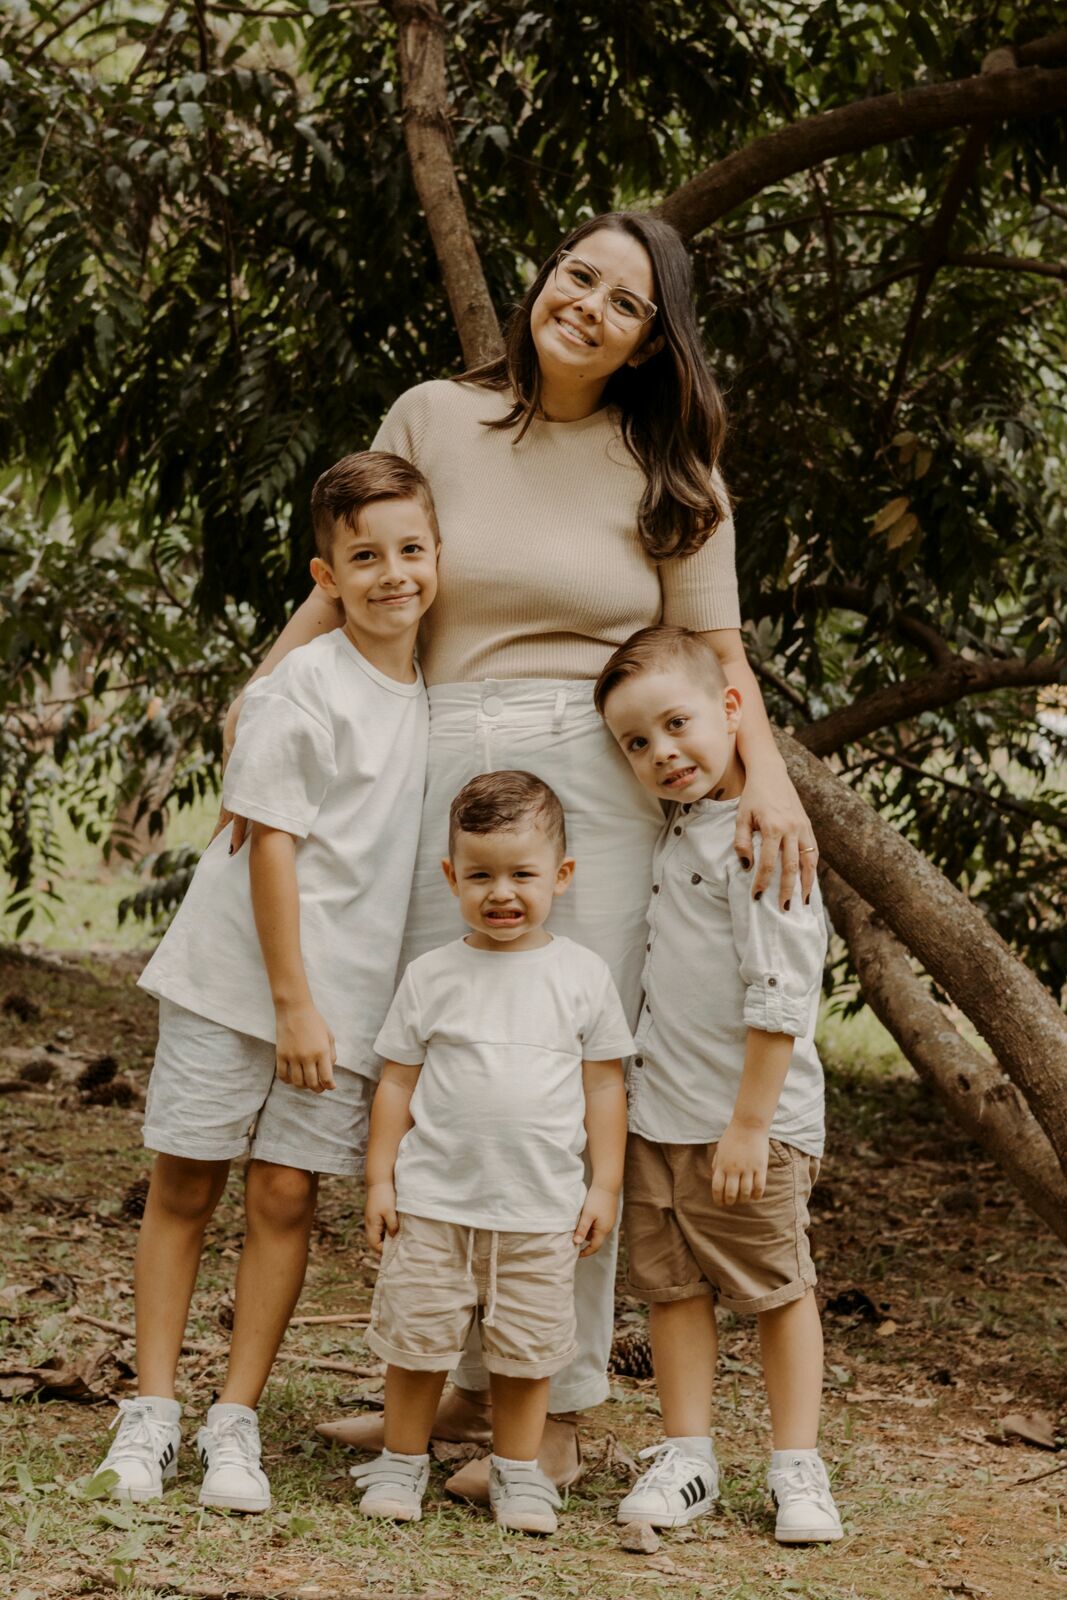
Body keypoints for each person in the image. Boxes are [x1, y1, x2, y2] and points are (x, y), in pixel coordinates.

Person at [224, 211, 820, 1493]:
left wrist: (763, 776)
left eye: (623, 302)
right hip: (439, 762)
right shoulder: (434, 416)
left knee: (559, 1080)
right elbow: (351, 574)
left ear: (653, 340)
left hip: (595, 785)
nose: (587, 306)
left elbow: (717, 658)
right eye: (576, 277)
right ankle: (429, 1388)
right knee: (443, 1071)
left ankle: (542, 1409)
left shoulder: (675, 471)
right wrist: (259, 700)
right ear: (542, 282)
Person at [94, 453, 440, 1510]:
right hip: (240, 981)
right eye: (364, 556)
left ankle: (233, 1419)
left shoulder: (435, 691)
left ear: (438, 556)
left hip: (344, 999)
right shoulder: (305, 681)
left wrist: (325, 1009)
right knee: (188, 1179)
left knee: (286, 1194)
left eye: (411, 550)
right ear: (324, 574)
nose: (393, 573)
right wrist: (291, 1000)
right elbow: (273, 849)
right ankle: (151, 1409)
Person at [594, 624, 841, 1544]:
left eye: (677, 724)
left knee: (776, 1286)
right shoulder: (673, 831)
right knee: (670, 1290)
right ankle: (688, 1454)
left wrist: (749, 1124)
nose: (662, 751)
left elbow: (783, 994)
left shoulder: (760, 837)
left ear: (732, 710)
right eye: (636, 742)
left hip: (747, 1122)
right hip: (661, 1116)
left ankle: (795, 1466)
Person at [350, 771, 630, 1534]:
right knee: (416, 1343)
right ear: (451, 877)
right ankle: (401, 1463)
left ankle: (519, 1472)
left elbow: (604, 1089)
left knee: (526, 1353)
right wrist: (380, 1178)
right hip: (434, 1204)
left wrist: (604, 1186)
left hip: (539, 1209)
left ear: (560, 877)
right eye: (479, 875)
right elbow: (396, 1084)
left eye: (521, 875)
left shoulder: (580, 977)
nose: (500, 892)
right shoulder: (432, 975)